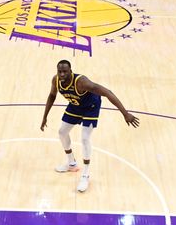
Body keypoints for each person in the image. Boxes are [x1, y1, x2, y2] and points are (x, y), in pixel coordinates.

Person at [40, 60, 140, 193]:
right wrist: (45, 116)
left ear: (71, 71)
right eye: (60, 71)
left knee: (85, 138)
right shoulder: (56, 80)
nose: (62, 74)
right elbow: (52, 96)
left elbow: (107, 92)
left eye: (65, 71)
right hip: (75, 105)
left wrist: (125, 113)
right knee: (62, 132)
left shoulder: (82, 82)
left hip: (91, 107)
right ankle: (71, 163)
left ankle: (85, 174)